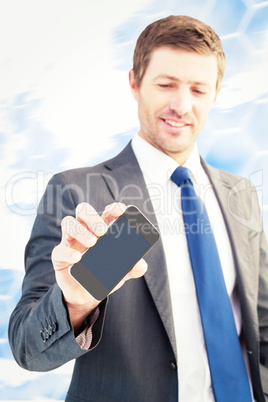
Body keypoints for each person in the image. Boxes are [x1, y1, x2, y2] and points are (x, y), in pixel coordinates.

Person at [8, 15, 268, 402]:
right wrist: (76, 302)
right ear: (135, 83)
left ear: (216, 93)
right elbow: (28, 348)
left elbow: (259, 321)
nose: (181, 105)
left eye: (199, 89)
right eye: (166, 85)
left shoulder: (240, 193)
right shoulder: (81, 193)